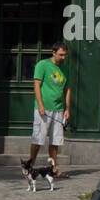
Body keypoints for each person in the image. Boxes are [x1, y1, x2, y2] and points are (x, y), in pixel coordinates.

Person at [29, 43, 71, 178]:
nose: (63, 57)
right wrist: (40, 105)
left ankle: (53, 168)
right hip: (44, 108)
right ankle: (30, 166)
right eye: (61, 54)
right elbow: (37, 85)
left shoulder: (65, 69)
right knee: (37, 140)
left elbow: (67, 89)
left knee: (55, 141)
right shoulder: (43, 65)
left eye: (65, 54)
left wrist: (67, 109)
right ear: (53, 52)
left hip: (58, 109)